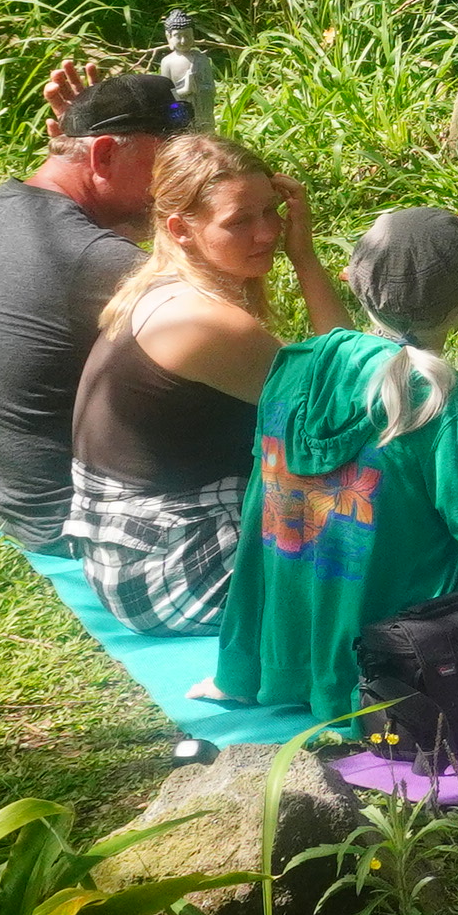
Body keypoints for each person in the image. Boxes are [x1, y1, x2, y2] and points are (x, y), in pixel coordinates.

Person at [208, 208, 458, 725]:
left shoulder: (296, 365)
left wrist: (240, 665)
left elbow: (260, 514)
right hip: (399, 669)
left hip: (286, 655)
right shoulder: (443, 399)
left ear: (356, 284)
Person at [69, 134, 341, 634]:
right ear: (181, 229)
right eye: (239, 221)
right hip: (170, 569)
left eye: (271, 211)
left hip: (126, 551)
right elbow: (345, 398)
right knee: (390, 514)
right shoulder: (204, 322)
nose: (267, 233)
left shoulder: (160, 290)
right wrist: (305, 260)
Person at [0, 68, 185, 552]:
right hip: (74, 526)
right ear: (103, 154)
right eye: (164, 170)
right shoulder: (97, 260)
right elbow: (235, 333)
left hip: (13, 500)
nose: (170, 190)